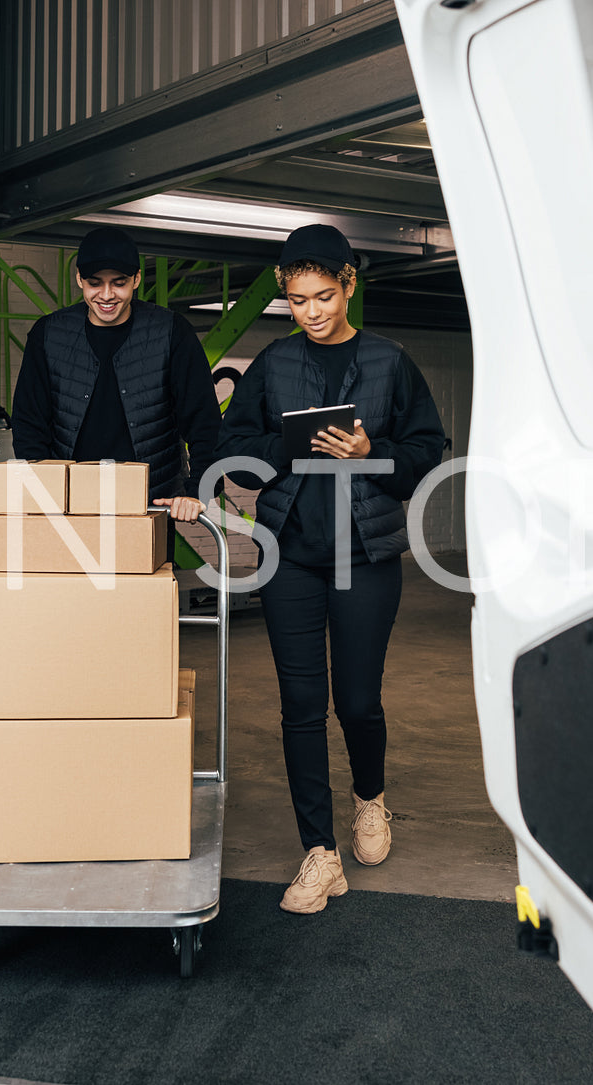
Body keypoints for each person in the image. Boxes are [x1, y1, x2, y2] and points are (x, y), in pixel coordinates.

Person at [217, 223, 446, 914]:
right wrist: (288, 449)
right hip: (289, 554)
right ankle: (318, 852)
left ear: (348, 284)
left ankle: (369, 798)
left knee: (356, 701)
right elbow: (234, 446)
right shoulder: (272, 364)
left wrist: (371, 452)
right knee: (299, 705)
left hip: (366, 555)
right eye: (296, 300)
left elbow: (426, 449)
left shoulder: (388, 362)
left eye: (322, 295)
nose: (311, 311)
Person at [10, 226, 220, 524]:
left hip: (149, 507)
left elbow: (204, 422)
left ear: (136, 279)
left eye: (119, 283)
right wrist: (45, 492)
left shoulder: (171, 331)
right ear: (79, 278)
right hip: (69, 506)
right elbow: (29, 424)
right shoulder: (49, 334)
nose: (106, 295)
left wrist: (198, 490)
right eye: (95, 283)